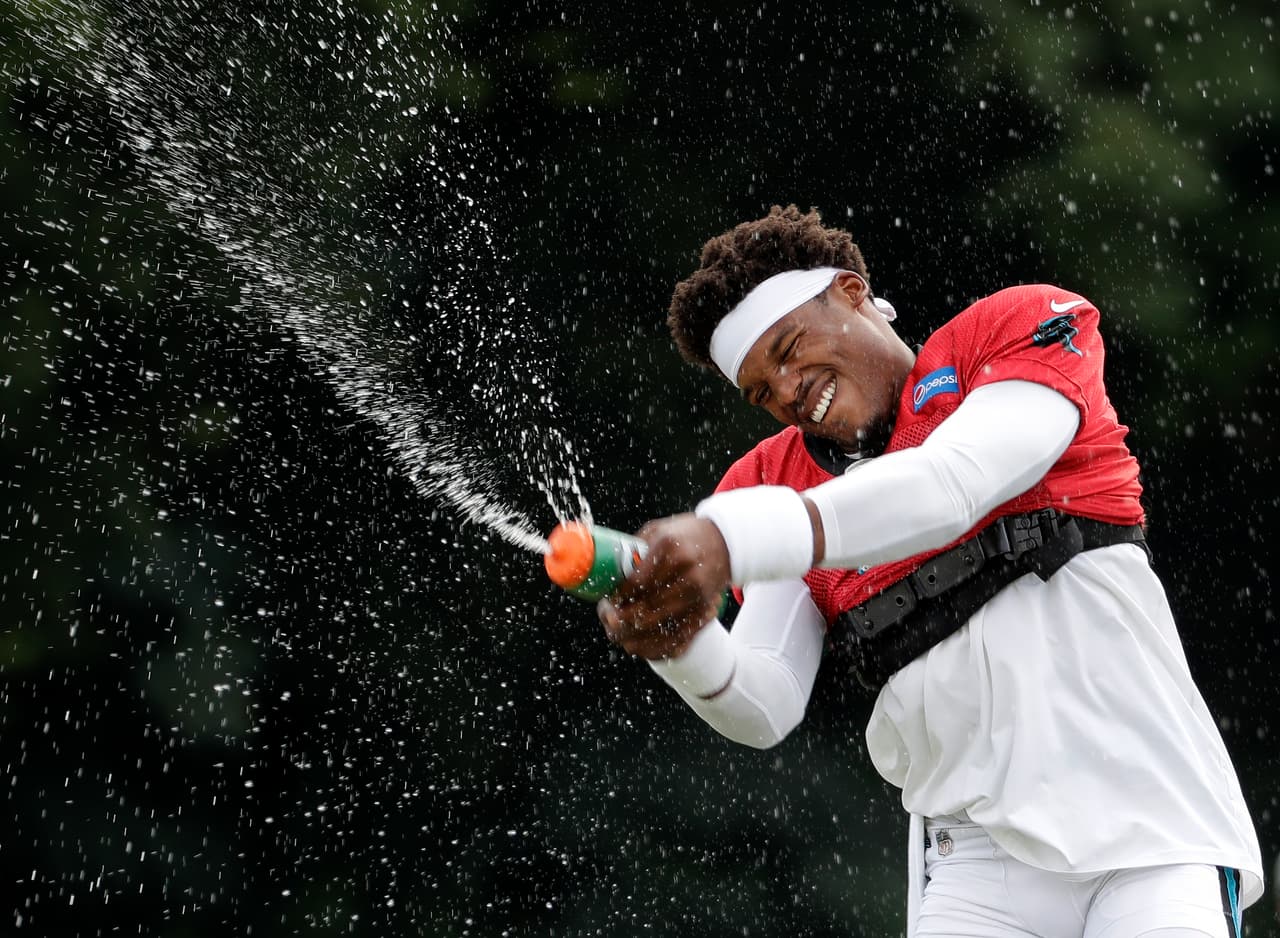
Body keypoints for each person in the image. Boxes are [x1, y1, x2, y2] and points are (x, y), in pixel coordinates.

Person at [597, 205, 1263, 937]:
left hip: (1153, 823)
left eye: (789, 348)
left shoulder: (1013, 328)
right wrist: (680, 641)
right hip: (975, 865)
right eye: (761, 391)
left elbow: (954, 483)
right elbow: (765, 703)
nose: (786, 391)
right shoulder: (770, 484)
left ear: (852, 293)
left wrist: (734, 536)